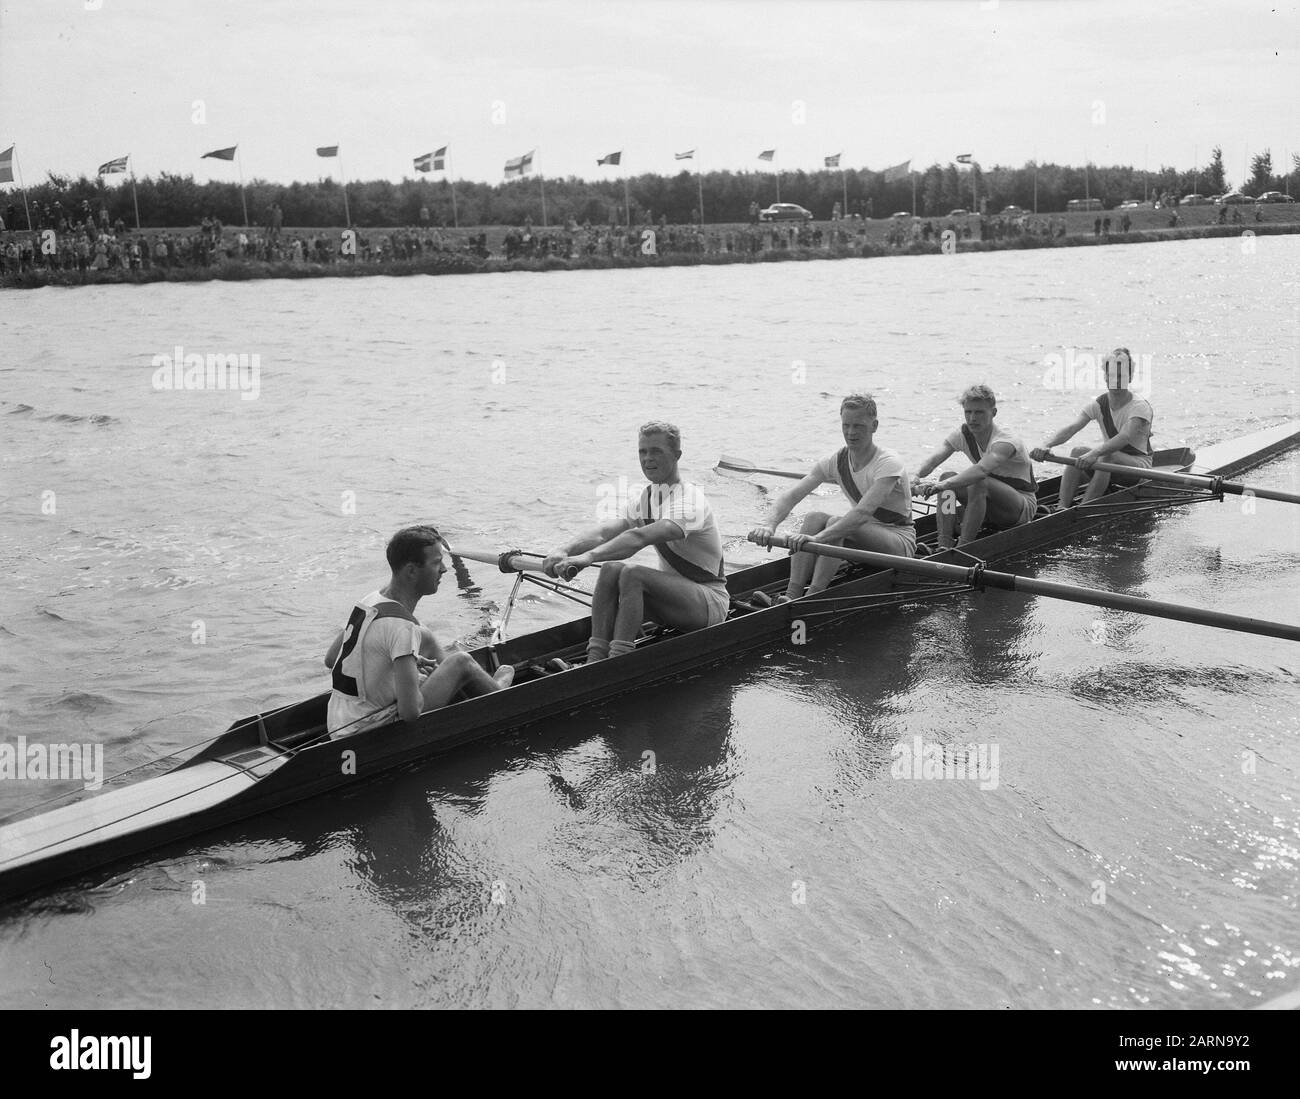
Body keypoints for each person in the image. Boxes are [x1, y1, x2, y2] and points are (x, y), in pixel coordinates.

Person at [543, 422, 730, 662]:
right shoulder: (646, 498)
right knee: (610, 570)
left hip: (710, 603)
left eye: (656, 451)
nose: (647, 458)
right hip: (676, 600)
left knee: (633, 574)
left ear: (677, 455)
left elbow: (638, 538)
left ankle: (619, 658)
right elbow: (604, 532)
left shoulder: (690, 501)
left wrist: (587, 558)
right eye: (643, 451)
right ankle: (596, 657)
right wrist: (564, 550)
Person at [324, 525, 512, 736]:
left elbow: (331, 659)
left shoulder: (370, 600)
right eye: (436, 563)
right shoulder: (403, 627)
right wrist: (412, 675)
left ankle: (480, 689)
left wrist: (399, 665)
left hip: (337, 723)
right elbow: (410, 713)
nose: (444, 569)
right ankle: (501, 694)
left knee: (426, 643)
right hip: (370, 731)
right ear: (412, 571)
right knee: (462, 661)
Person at [750, 393, 915, 600]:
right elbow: (791, 496)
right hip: (862, 537)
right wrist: (768, 525)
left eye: (858, 426)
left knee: (836, 523)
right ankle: (792, 595)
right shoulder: (835, 461)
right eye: (846, 425)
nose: (851, 432)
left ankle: (813, 597)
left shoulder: (888, 463)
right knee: (813, 518)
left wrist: (817, 539)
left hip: (899, 542)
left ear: (874, 426)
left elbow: (862, 513)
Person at [911, 384, 1038, 548]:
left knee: (976, 482)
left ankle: (964, 547)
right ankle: (944, 543)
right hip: (987, 502)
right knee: (946, 478)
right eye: (968, 412)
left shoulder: (1006, 441)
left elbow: (981, 470)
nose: (972, 418)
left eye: (979, 412)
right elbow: (933, 460)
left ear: (993, 413)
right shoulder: (963, 434)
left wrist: (941, 485)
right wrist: (915, 477)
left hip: (1020, 507)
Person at [1031, 348, 1154, 508]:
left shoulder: (1140, 406)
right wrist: (1046, 444)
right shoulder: (1098, 404)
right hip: (1111, 463)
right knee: (1077, 452)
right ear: (1105, 377)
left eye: (1121, 376)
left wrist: (1094, 453)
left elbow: (1124, 437)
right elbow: (1072, 427)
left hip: (1139, 469)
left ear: (1130, 377)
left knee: (1106, 455)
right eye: (1111, 375)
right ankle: (1062, 507)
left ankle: (1083, 508)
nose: (1115, 381)